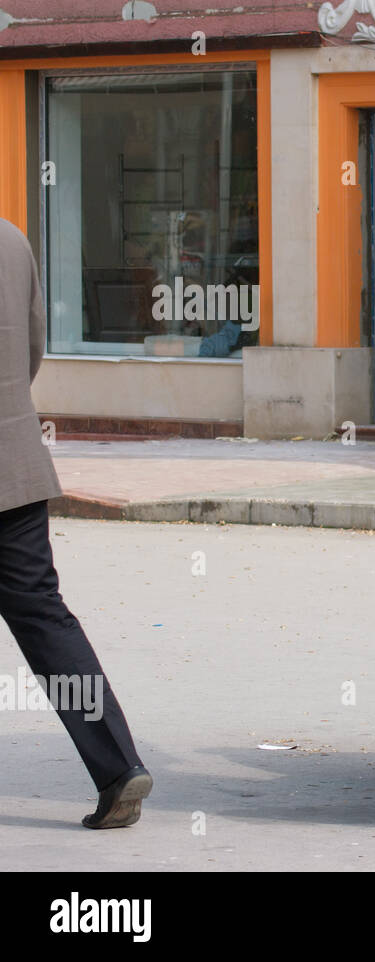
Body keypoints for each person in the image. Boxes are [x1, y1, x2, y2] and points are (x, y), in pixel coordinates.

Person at [0, 217, 152, 828]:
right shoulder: (12, 239)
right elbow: (32, 347)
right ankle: (118, 769)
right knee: (44, 618)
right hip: (15, 464)